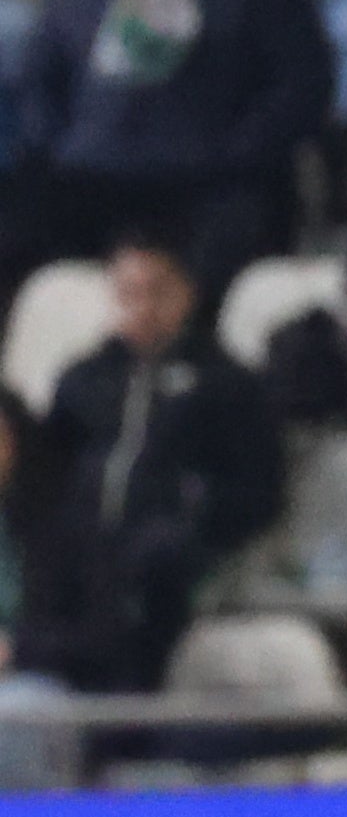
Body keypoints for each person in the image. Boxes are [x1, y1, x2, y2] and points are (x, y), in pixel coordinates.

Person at [3, 0, 333, 305]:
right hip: (91, 171)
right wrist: (57, 141)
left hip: (207, 179)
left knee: (232, 237)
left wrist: (234, 148)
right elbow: (41, 77)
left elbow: (300, 88)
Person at [16, 236, 282, 697]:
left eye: (156, 291)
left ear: (187, 292)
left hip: (172, 556)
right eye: (127, 293)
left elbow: (258, 488)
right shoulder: (82, 379)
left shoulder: (228, 384)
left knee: (149, 565)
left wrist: (193, 515)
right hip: (80, 554)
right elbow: (45, 471)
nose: (141, 307)